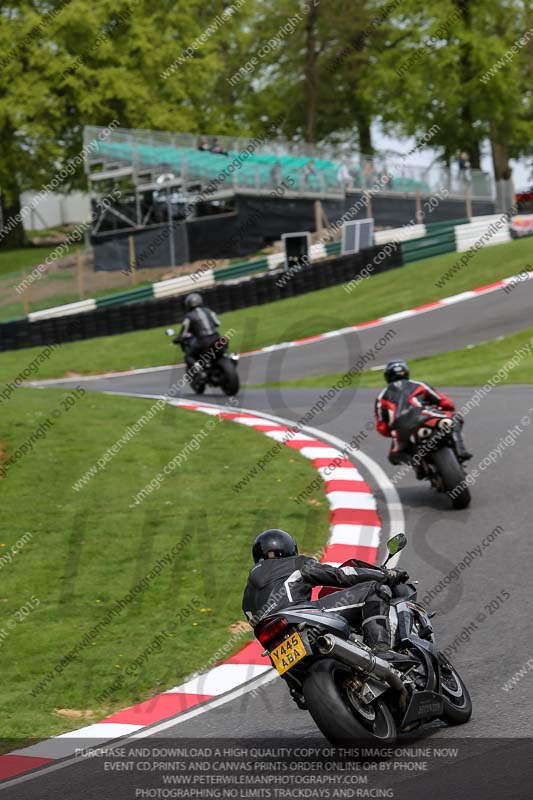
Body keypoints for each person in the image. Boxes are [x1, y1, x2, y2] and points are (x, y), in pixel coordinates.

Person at [242, 529, 410, 661]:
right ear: (289, 550)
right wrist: (386, 575)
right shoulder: (294, 563)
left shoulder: (246, 598)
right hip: (299, 618)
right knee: (374, 590)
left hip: (276, 644)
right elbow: (341, 575)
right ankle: (381, 650)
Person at [374, 360, 472, 468]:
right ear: (406, 372)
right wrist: (445, 408)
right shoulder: (419, 385)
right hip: (423, 415)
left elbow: (382, 427)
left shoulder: (381, 396)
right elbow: (446, 403)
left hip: (400, 428)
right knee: (454, 419)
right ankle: (461, 451)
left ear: (387, 376)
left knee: (395, 455)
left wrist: (391, 431)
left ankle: (419, 465)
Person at [174, 293, 221, 373]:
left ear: (188, 304)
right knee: (222, 352)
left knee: (188, 356)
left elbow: (183, 333)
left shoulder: (189, 317)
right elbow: (217, 323)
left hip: (203, 342)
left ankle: (199, 370)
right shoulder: (209, 311)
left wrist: (177, 340)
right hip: (217, 338)